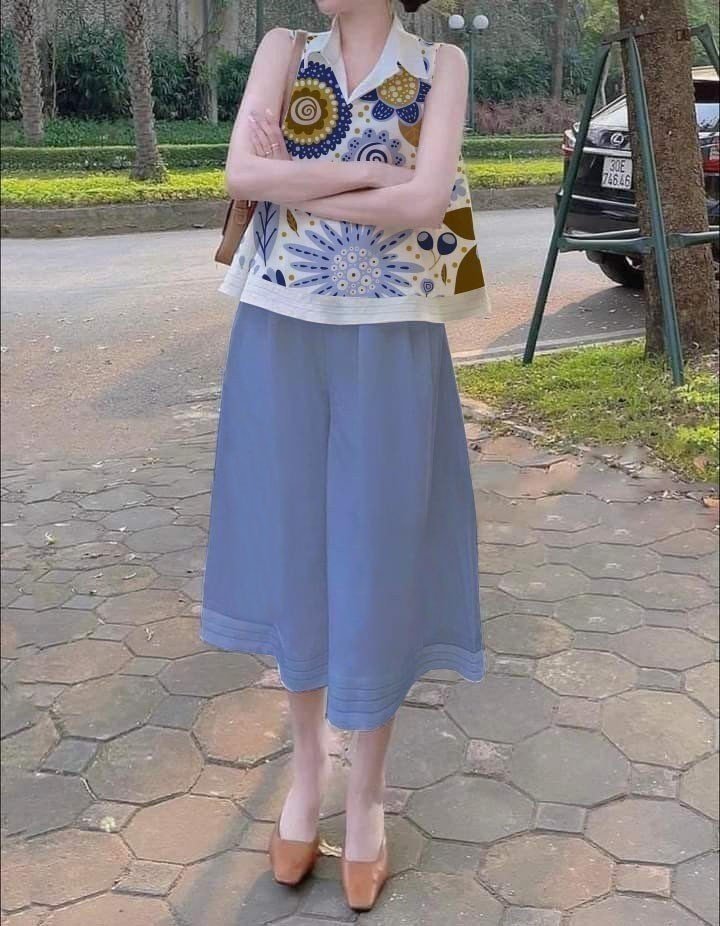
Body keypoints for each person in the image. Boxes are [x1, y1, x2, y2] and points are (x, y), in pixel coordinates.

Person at [200, 0, 489, 911]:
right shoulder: (284, 50)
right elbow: (242, 171)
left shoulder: (441, 67)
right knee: (295, 549)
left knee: (378, 554)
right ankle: (305, 779)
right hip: (279, 323)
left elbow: (425, 199)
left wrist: (298, 182)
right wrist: (365, 174)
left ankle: (366, 796)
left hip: (392, 329)